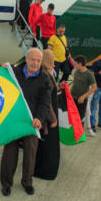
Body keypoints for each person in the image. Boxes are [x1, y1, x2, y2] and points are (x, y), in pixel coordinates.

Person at [0, 48, 52, 196]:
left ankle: (27, 182)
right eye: (33, 59)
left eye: (38, 60)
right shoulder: (13, 73)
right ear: (27, 59)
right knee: (9, 153)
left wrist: (39, 118)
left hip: (32, 121)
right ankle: (6, 183)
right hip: (14, 119)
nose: (35, 63)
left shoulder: (44, 78)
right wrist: (2, 70)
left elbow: (45, 101)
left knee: (30, 154)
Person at [34, 49, 60, 180]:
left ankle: (39, 169)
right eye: (52, 60)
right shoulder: (46, 75)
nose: (54, 64)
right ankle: (44, 171)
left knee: (44, 145)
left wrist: (58, 87)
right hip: (48, 118)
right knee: (49, 144)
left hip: (46, 116)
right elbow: (46, 100)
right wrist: (53, 119)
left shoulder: (45, 73)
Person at [71, 55, 97, 127]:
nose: (75, 65)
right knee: (72, 118)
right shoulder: (76, 72)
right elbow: (74, 83)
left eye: (76, 63)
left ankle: (80, 135)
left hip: (81, 100)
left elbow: (94, 87)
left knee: (80, 118)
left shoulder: (89, 74)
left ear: (80, 63)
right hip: (73, 99)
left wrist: (83, 97)